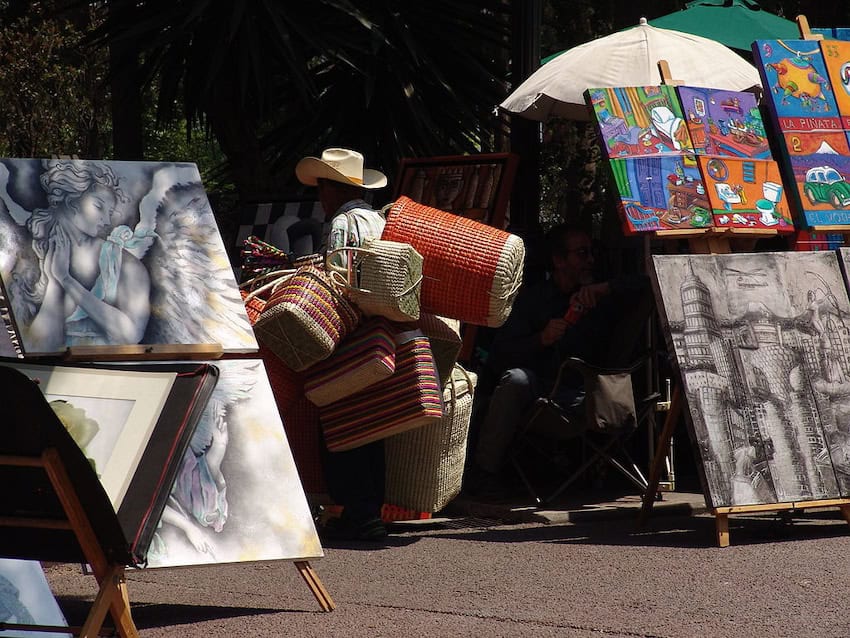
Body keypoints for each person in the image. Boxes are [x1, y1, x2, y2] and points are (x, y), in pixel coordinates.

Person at [467, 223, 649, 493]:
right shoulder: (534, 299)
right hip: (541, 392)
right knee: (515, 379)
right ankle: (485, 473)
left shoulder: (603, 295)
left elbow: (648, 284)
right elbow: (500, 356)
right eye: (582, 253)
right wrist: (540, 339)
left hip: (588, 393)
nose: (590, 260)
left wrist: (604, 289)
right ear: (559, 260)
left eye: (591, 252)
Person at [295, 147, 390, 541]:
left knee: (340, 418)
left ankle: (356, 513)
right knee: (372, 421)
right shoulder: (378, 219)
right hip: (380, 333)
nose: (320, 197)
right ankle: (369, 511)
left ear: (333, 189)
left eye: (322, 188)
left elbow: (337, 277)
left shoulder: (342, 223)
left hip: (347, 332)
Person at [22, 161, 151, 352]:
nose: (107, 221)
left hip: (115, 373)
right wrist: (55, 284)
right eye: (99, 206)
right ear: (71, 200)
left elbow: (131, 335)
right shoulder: (30, 257)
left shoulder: (125, 265)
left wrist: (67, 281)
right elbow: (37, 347)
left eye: (110, 213)